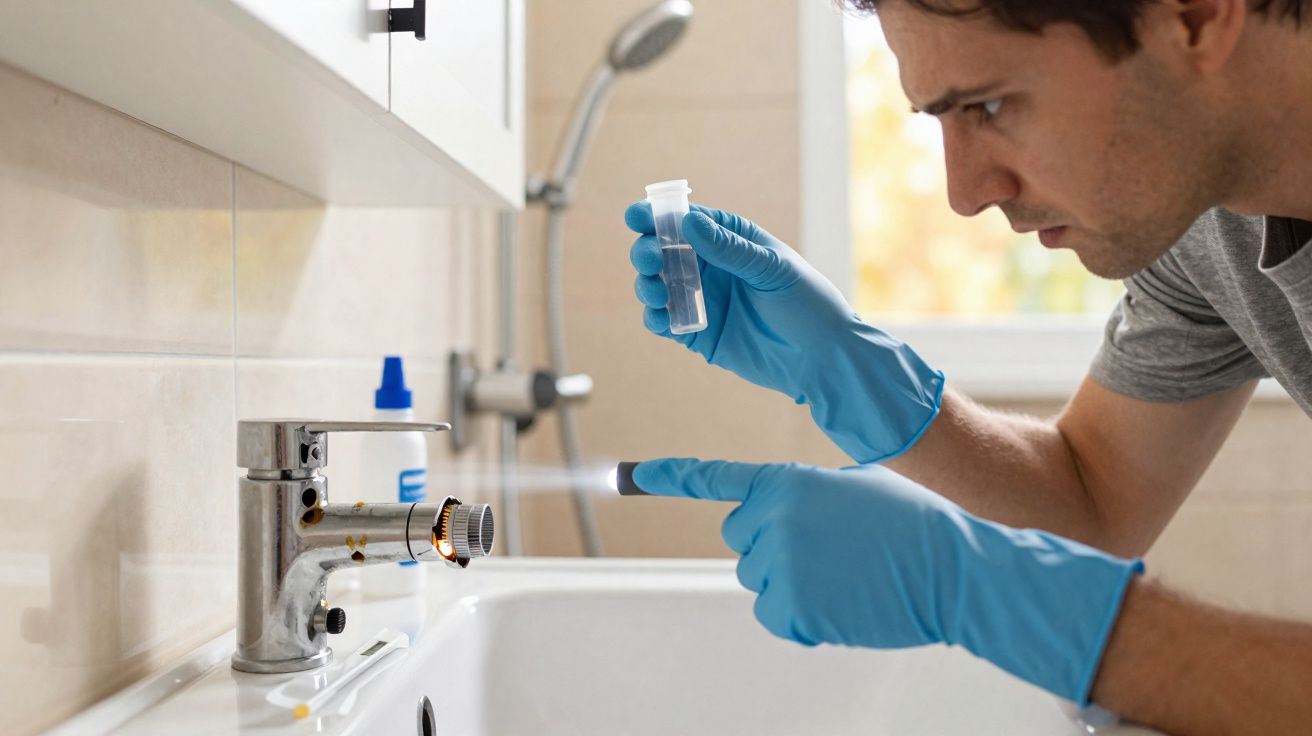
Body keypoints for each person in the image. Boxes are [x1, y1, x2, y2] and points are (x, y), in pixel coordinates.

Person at [624, 1, 1312, 733]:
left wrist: (985, 592)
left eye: (988, 105)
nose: (966, 194)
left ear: (1196, 18)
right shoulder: (1206, 229)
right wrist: (861, 379)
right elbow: (1092, 501)